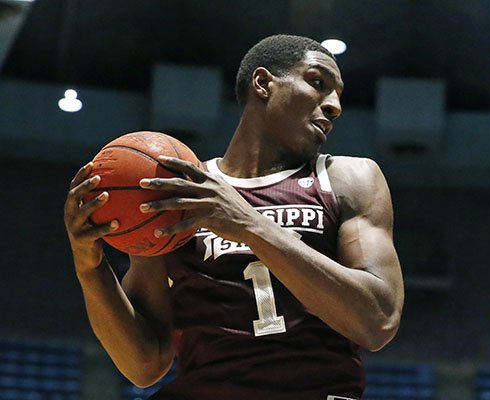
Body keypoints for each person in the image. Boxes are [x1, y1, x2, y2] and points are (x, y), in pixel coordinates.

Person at [64, 34, 404, 400]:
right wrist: (89, 268)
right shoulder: (179, 193)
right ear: (263, 83)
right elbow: (145, 365)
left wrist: (251, 225)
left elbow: (378, 321)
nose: (335, 105)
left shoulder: (347, 178)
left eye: (339, 94)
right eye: (318, 83)